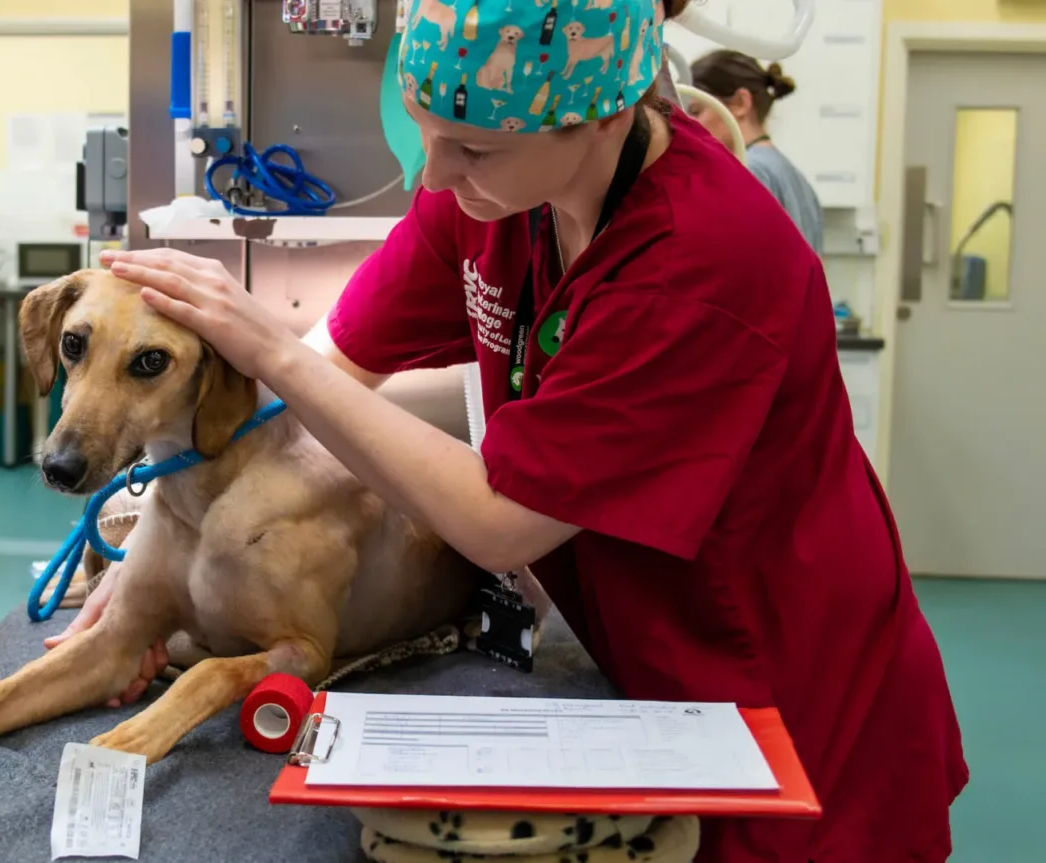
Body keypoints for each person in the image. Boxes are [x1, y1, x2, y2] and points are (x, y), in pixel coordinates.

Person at [57, 0, 968, 859]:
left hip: (790, 689)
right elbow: (330, 374)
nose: (436, 173)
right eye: (424, 129)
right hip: (643, 653)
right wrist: (156, 560)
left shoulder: (703, 261)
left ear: (605, 119)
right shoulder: (492, 199)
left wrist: (268, 346)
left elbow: (501, 519)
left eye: (475, 148)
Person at [688, 49, 825, 253]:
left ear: (741, 103)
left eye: (697, 111)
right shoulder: (796, 179)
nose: (689, 124)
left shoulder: (749, 171)